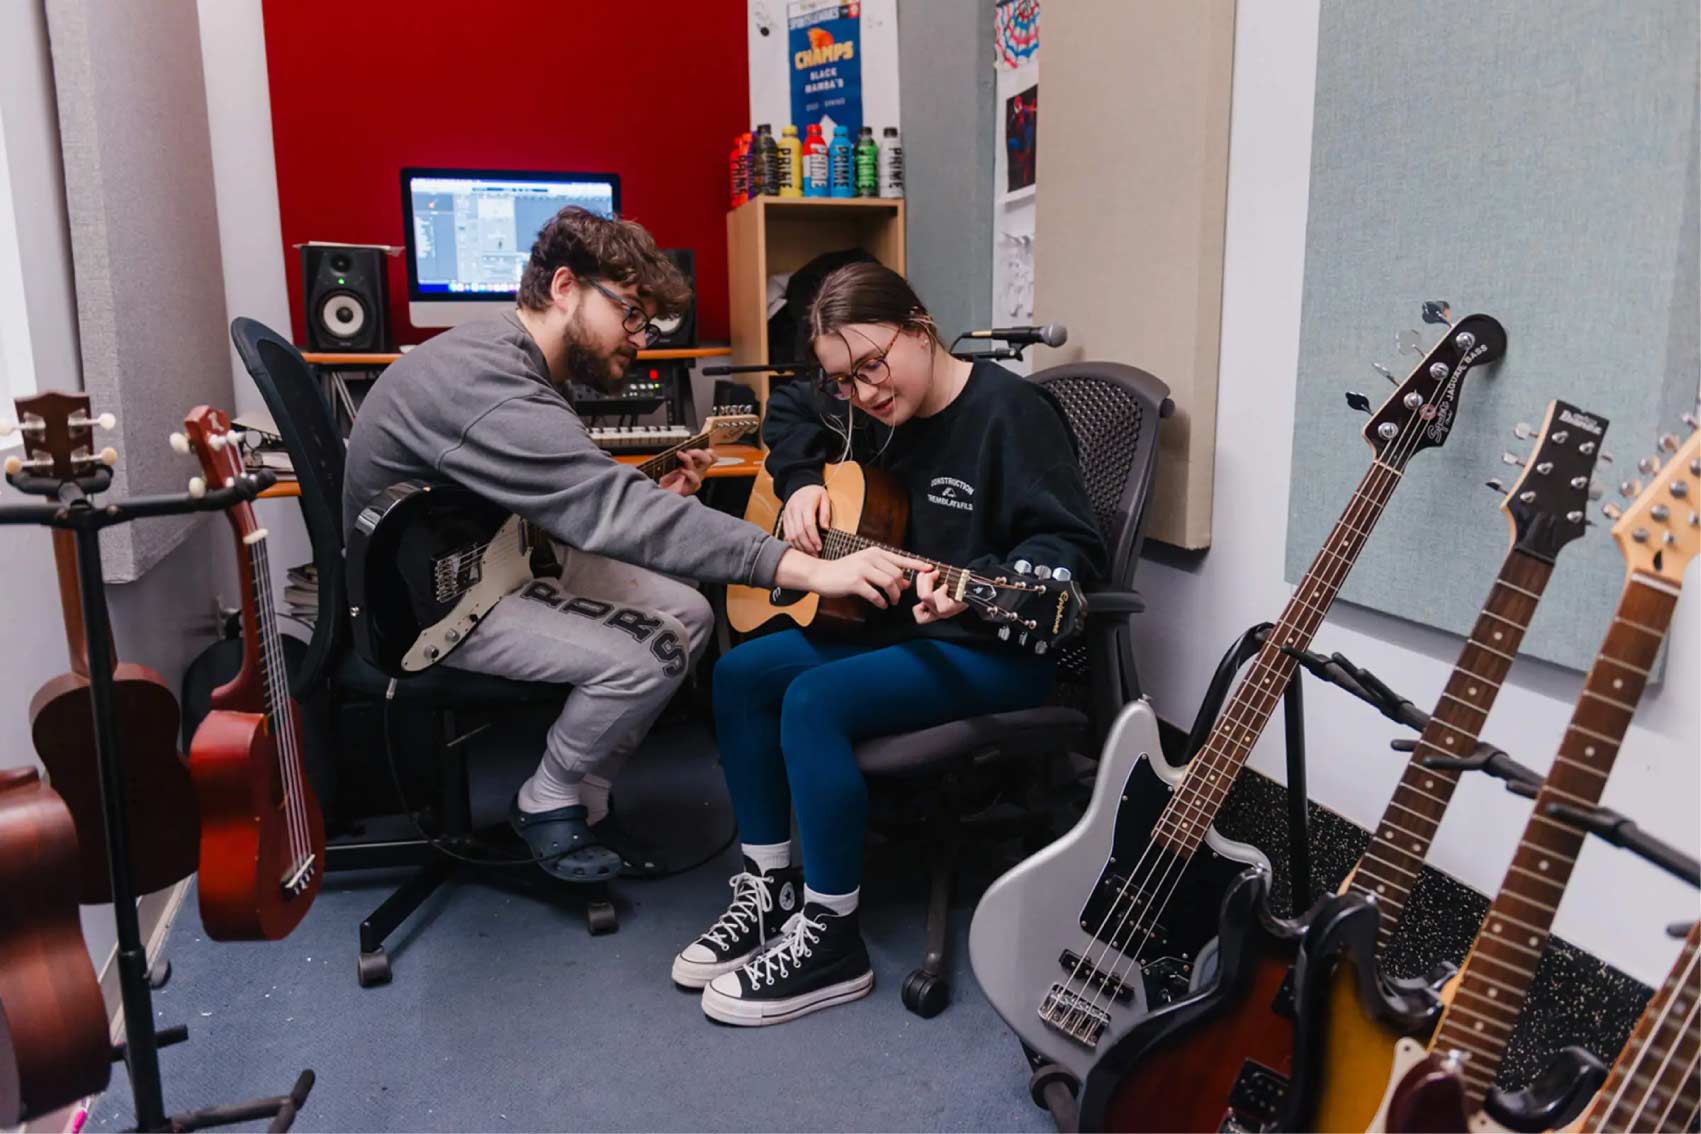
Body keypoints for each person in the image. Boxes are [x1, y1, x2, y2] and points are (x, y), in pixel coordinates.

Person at [341, 207, 924, 883]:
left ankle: (585, 797)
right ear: (564, 287)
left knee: (692, 613)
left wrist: (656, 504)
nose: (640, 338)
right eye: (631, 315)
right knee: (653, 652)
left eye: (648, 323)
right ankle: (546, 798)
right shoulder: (485, 381)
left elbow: (553, 501)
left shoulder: (510, 360)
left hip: (485, 557)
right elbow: (604, 509)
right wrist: (803, 570)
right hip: (431, 604)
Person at [673, 263, 1107, 1025]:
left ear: (917, 324)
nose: (864, 393)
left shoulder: (1013, 414)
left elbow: (1070, 549)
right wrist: (804, 479)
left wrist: (976, 581)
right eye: (845, 380)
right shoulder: (865, 412)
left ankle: (833, 939)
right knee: (740, 674)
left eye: (872, 365)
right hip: (899, 635)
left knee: (810, 698)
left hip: (994, 652)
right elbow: (789, 411)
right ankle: (769, 889)